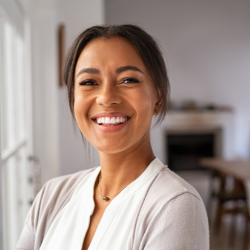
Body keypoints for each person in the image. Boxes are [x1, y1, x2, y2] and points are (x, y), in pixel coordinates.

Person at [15, 24, 209, 250]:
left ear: (158, 98)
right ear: (72, 100)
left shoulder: (174, 205)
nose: (106, 98)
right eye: (88, 82)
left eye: (128, 80)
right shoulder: (52, 196)